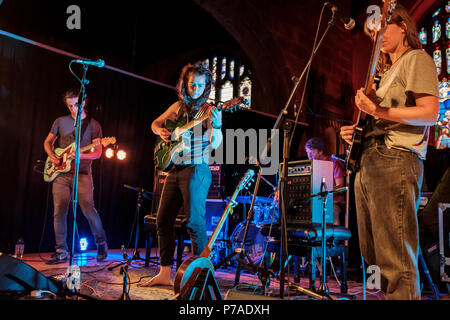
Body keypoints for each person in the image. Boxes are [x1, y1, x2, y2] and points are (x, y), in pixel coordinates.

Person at [340, 4, 439, 300]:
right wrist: (356, 132)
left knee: (395, 256)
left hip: (394, 159)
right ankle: (375, 297)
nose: (376, 37)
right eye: (372, 33)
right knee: (371, 257)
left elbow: (430, 112)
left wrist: (379, 109)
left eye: (380, 29)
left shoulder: (415, 59)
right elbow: (379, 117)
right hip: (367, 161)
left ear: (403, 27)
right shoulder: (382, 76)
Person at [139, 62, 223, 287]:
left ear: (206, 87)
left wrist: (219, 125)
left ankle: (201, 275)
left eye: (199, 85)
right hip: (174, 169)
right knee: (162, 219)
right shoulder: (179, 106)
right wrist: (161, 131)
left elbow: (215, 142)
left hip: (197, 169)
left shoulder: (210, 111)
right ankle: (165, 272)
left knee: (194, 223)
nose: (194, 89)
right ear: (185, 85)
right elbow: (154, 124)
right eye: (191, 84)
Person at [43, 89, 108, 264]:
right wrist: (51, 155)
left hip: (83, 174)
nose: (73, 109)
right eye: (70, 106)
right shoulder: (60, 121)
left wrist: (79, 156)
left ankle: (101, 243)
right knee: (59, 212)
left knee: (88, 210)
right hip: (61, 174)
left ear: (84, 102)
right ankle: (61, 251)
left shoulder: (93, 125)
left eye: (76, 105)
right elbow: (47, 142)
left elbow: (97, 153)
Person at [304, 137, 346, 225]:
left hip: (334, 201)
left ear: (320, 151)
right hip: (317, 201)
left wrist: (324, 191)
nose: (309, 156)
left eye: (311, 153)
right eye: (308, 153)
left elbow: (340, 186)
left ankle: (334, 238)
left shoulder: (333, 163)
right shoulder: (311, 166)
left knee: (333, 211)